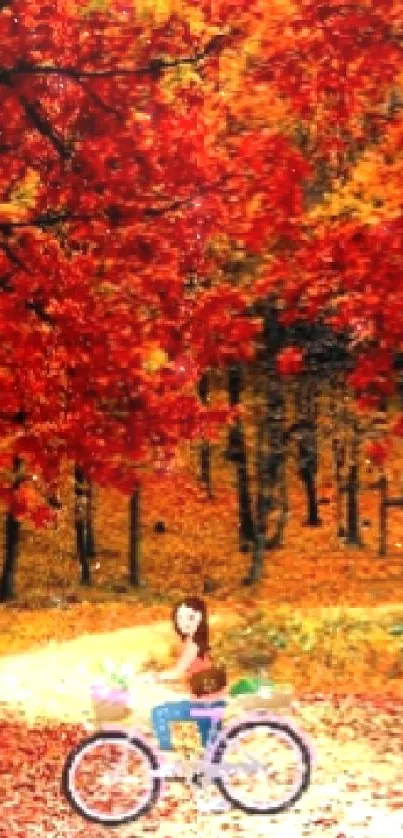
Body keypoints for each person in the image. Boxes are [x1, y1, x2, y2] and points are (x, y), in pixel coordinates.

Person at [150, 596, 229, 812]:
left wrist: (155, 677)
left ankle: (180, 768)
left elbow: (178, 671)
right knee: (189, 745)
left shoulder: (193, 644)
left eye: (190, 617)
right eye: (180, 617)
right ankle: (184, 768)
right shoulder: (193, 642)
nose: (184, 622)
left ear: (201, 618)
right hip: (207, 702)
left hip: (207, 705)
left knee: (163, 716)